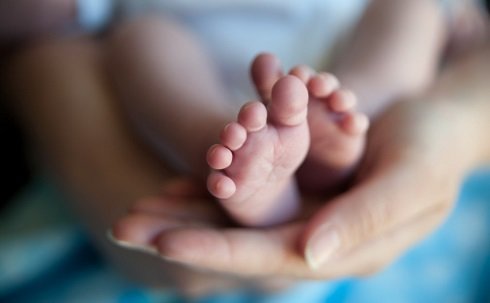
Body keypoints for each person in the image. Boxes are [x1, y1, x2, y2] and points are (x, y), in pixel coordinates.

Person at [1, 0, 489, 298]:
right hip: (199, 74)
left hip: (340, 56)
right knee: (141, 41)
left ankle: (345, 127)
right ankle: (216, 144)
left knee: (411, 13)